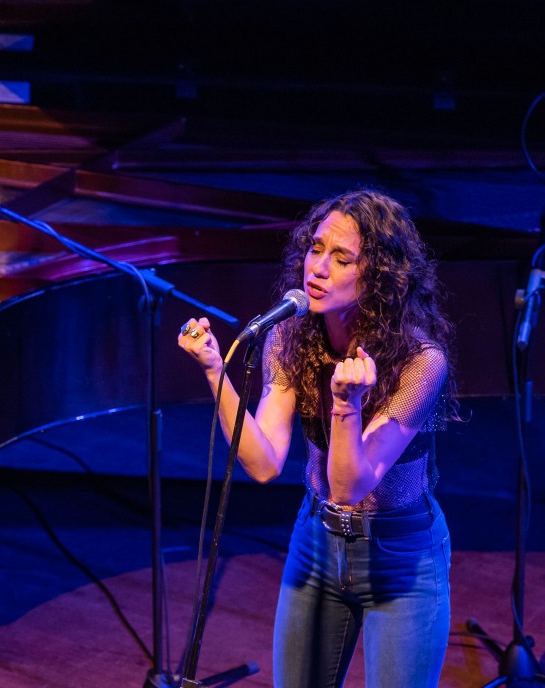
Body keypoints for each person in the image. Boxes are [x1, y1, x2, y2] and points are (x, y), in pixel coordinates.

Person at [177, 189, 458, 687]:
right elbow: (263, 462)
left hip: (401, 557)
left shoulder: (420, 361)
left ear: (379, 276)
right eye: (315, 248)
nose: (318, 268)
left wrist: (347, 406)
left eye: (341, 257)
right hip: (316, 544)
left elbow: (352, 487)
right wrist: (216, 372)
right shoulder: (289, 338)